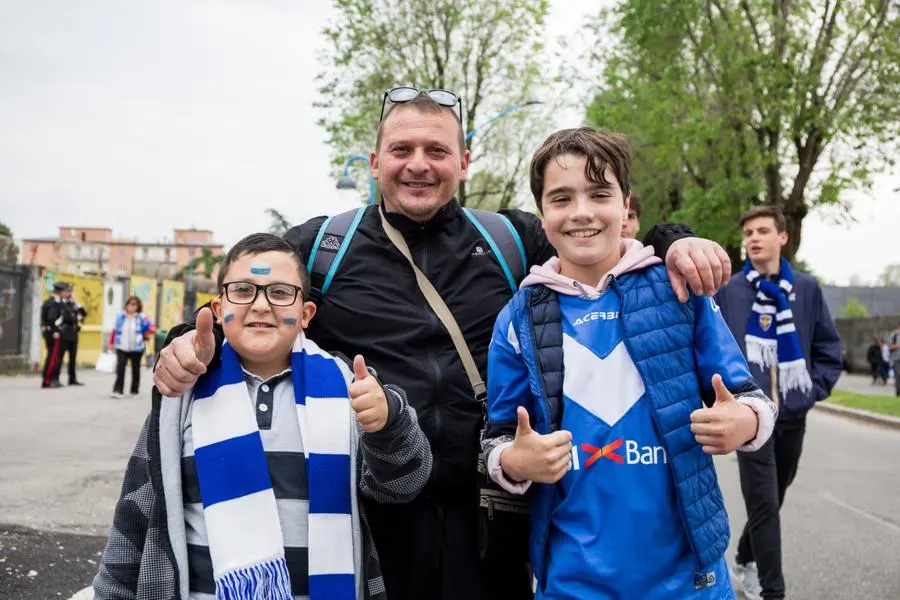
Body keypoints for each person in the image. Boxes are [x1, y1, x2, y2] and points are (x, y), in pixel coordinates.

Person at [152, 90, 733, 600]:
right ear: (376, 161)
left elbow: (598, 249)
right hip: (370, 511)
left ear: (464, 161)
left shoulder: (509, 238)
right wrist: (187, 339)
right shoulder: (325, 244)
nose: (418, 165)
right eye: (402, 150)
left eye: (436, 151)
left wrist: (676, 241)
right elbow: (251, 292)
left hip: (490, 518)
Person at [481, 128, 775, 599]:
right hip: (571, 582)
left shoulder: (679, 292)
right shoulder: (517, 318)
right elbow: (496, 439)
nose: (581, 212)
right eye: (561, 198)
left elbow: (751, 398)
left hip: (689, 582)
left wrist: (743, 420)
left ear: (625, 207)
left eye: (599, 194)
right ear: (543, 214)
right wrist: (514, 461)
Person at [93, 233, 432, 600]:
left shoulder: (351, 388)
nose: (260, 306)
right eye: (243, 290)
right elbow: (134, 517)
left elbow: (403, 486)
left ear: (305, 314)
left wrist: (388, 424)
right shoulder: (180, 396)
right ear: (219, 307)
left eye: (280, 293)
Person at [715, 205, 842, 600]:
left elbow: (827, 347)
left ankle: (745, 554)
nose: (753, 238)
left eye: (762, 231)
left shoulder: (805, 289)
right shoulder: (730, 290)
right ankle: (773, 591)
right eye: (748, 232)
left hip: (792, 418)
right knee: (765, 503)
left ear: (782, 238)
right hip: (752, 420)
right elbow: (714, 346)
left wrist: (810, 392)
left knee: (775, 498)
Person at [108, 295, 156, 398]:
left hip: (137, 348)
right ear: (126, 305)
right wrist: (111, 343)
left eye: (134, 304)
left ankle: (134, 391)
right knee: (120, 369)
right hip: (121, 347)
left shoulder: (141, 317)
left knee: (136, 370)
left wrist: (147, 333)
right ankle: (118, 390)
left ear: (138, 306)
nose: (131, 306)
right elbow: (115, 330)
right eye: (129, 304)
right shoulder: (120, 316)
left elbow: (152, 328)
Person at [39, 281, 67, 388]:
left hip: (50, 331)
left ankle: (50, 379)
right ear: (60, 292)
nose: (66, 293)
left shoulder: (51, 301)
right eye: (65, 291)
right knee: (52, 357)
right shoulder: (53, 303)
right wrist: (55, 330)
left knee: (53, 356)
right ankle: (47, 380)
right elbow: (51, 318)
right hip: (53, 333)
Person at [63, 286, 88, 386]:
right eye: (71, 292)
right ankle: (53, 378)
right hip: (64, 333)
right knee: (59, 357)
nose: (73, 294)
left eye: (73, 292)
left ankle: (72, 379)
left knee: (73, 357)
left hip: (73, 334)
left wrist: (76, 302)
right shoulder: (62, 303)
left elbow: (84, 313)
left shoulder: (74, 304)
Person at [889, 323, 900, 396]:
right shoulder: (894, 335)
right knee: (898, 375)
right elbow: (889, 347)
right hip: (897, 358)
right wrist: (897, 345)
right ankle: (898, 392)